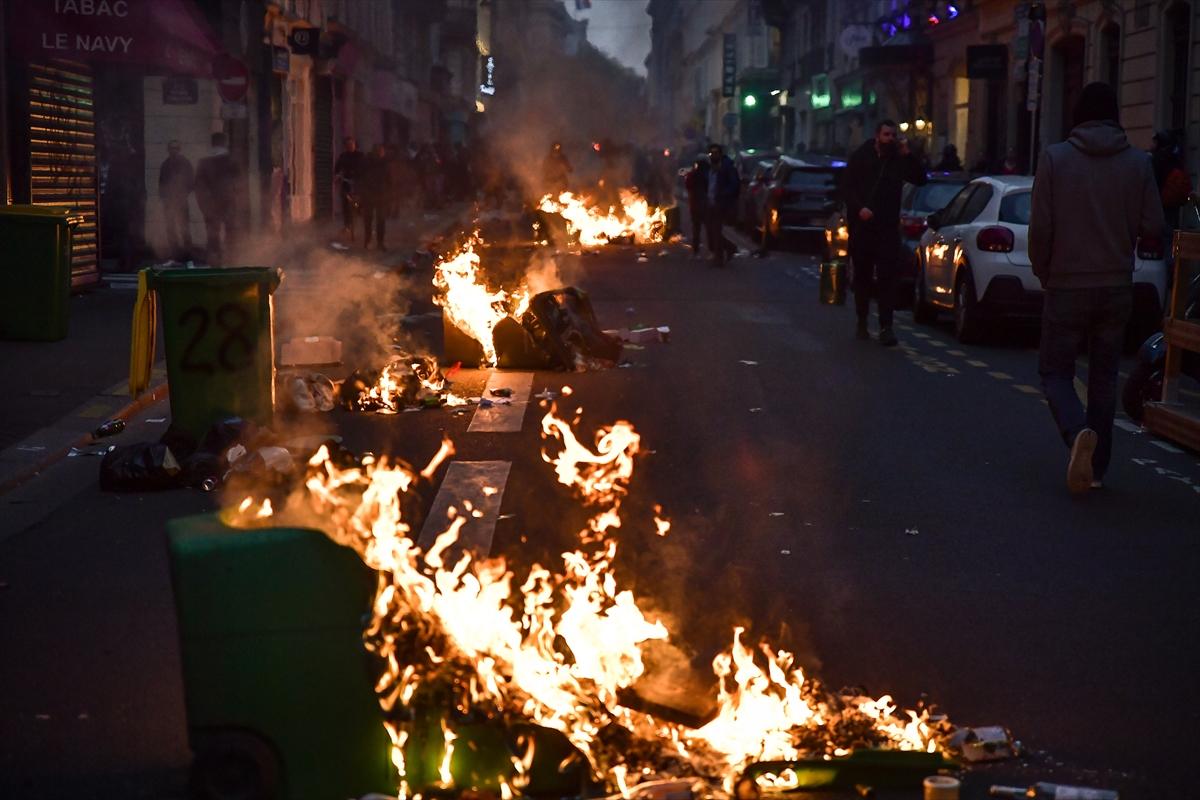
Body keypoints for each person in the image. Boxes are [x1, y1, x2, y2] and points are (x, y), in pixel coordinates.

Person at [1029, 82, 1164, 493]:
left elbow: (1041, 229)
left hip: (1067, 284)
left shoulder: (1055, 159)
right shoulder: (1138, 163)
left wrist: (1044, 271)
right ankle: (1098, 469)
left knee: (1055, 371)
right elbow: (1155, 228)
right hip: (1116, 285)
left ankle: (1076, 434)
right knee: (1105, 377)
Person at [842, 120, 927, 345]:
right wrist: (859, 209)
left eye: (893, 135)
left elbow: (920, 179)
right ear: (877, 135)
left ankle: (886, 327)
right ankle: (862, 321)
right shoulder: (862, 156)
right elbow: (847, 187)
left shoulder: (898, 159)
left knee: (888, 278)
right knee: (863, 277)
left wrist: (908, 154)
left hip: (888, 227)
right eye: (886, 134)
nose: (890, 138)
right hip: (863, 228)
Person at [194, 132, 239, 265]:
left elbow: (199, 188)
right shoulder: (231, 161)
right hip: (229, 202)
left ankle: (215, 260)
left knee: (213, 234)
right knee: (231, 232)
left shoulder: (204, 163)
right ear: (224, 143)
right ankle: (231, 258)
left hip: (210, 205)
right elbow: (239, 184)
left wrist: (204, 206)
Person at [704, 143, 740, 267]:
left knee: (716, 229)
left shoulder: (727, 167)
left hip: (720, 203)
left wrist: (723, 194)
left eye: (716, 153)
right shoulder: (709, 167)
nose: (713, 155)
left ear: (720, 154)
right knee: (711, 230)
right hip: (710, 202)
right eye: (711, 153)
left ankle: (719, 259)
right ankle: (730, 247)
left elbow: (734, 184)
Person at [158, 140, 193, 262]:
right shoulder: (166, 164)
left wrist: (182, 194)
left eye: (176, 148)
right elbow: (161, 183)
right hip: (170, 202)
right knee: (171, 229)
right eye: (172, 148)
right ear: (169, 150)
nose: (174, 150)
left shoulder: (184, 163)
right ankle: (176, 254)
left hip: (180, 201)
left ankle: (187, 255)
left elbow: (190, 182)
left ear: (179, 149)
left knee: (184, 228)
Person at [1150, 129, 1192, 232]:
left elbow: (1154, 180)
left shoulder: (1157, 158)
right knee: (1171, 229)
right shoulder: (1176, 157)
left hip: (1160, 201)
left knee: (1163, 233)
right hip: (1173, 201)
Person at [359, 143, 392, 251]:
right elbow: (361, 178)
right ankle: (368, 241)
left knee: (380, 220)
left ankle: (379, 242)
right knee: (369, 219)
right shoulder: (367, 162)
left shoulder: (385, 163)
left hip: (380, 195)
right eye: (381, 151)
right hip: (370, 195)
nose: (382, 153)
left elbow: (389, 179)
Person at [334, 137, 365, 237]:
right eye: (348, 145)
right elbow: (337, 168)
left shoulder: (360, 156)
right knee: (345, 203)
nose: (350, 146)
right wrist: (337, 175)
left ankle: (360, 213)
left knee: (360, 201)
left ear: (355, 145)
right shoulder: (343, 156)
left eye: (352, 144)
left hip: (358, 183)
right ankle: (347, 225)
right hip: (346, 182)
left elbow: (366, 168)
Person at [683, 157, 709, 258]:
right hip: (705, 204)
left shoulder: (693, 174)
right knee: (709, 228)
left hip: (696, 204)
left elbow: (688, 185)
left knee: (696, 228)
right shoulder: (708, 174)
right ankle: (713, 250)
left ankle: (696, 251)